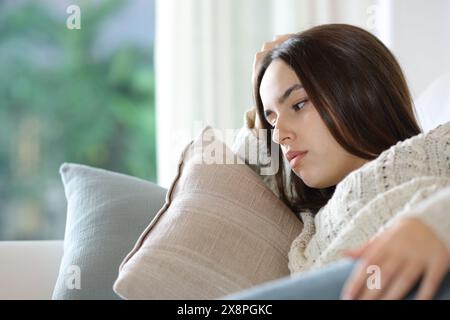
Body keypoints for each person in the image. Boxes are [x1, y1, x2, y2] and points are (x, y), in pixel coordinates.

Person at [230, 24, 450, 300]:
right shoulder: (308, 218)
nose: (279, 135)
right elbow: (240, 171)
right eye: (271, 119)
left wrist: (437, 223)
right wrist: (260, 87)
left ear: (361, 92)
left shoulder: (431, 148)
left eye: (298, 105)